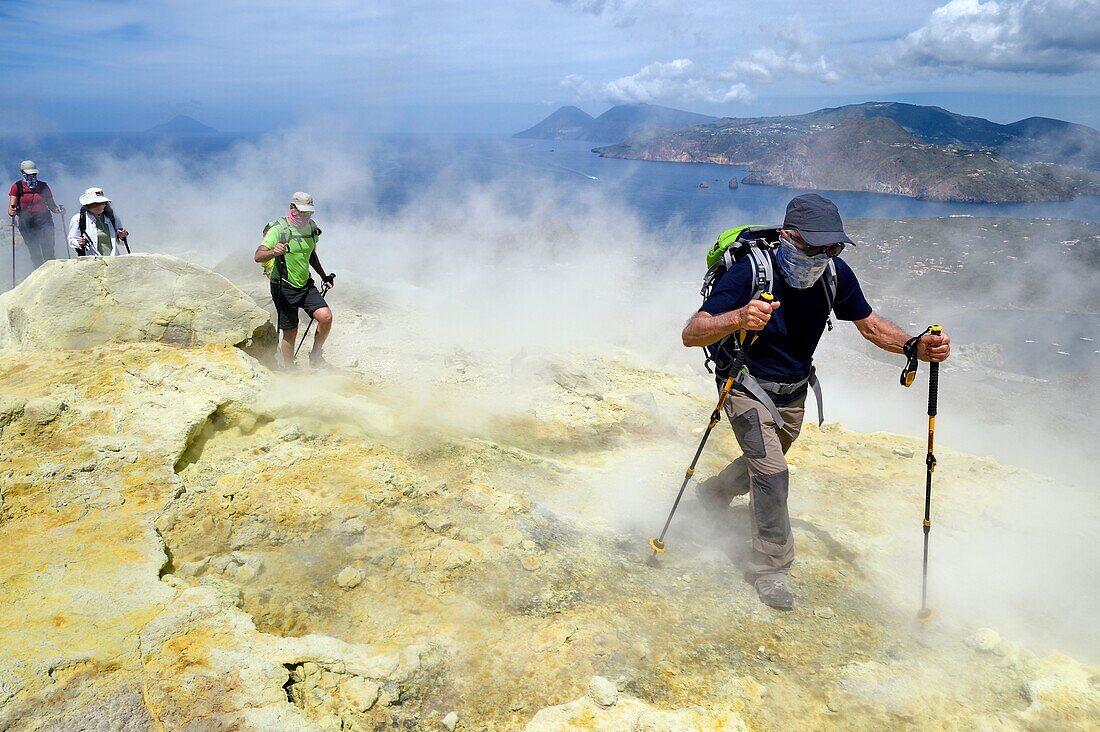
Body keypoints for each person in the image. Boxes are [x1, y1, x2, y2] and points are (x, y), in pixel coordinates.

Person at [681, 193, 951, 610]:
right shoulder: (752, 273)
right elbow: (693, 331)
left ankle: (714, 494)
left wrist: (915, 346)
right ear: (788, 236)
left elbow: (872, 327)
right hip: (745, 385)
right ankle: (771, 568)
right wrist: (738, 317)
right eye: (815, 245)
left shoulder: (834, 274)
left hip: (793, 392)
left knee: (764, 462)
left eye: (834, 246)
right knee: (773, 473)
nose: (825, 254)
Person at [254, 192, 335, 369]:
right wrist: (274, 252)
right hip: (283, 286)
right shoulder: (278, 229)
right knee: (290, 332)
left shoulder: (311, 228)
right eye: (302, 212)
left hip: (305, 284)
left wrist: (323, 276)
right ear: (292, 208)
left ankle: (315, 356)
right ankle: (290, 368)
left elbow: (311, 254)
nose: (306, 216)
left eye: (309, 212)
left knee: (326, 317)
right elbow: (258, 256)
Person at [8, 160, 64, 269]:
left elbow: (52, 205)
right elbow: (11, 207)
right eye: (29, 174)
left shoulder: (43, 187)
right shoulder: (17, 187)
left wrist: (58, 210)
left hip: (44, 220)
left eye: (33, 174)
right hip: (26, 222)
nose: (32, 176)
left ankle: (51, 272)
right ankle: (38, 273)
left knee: (48, 249)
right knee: (34, 250)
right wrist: (13, 211)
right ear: (23, 173)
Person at [67, 187, 128, 257]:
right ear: (87, 205)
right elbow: (71, 240)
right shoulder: (77, 219)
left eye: (101, 203)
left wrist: (121, 236)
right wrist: (78, 242)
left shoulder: (113, 218)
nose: (98, 206)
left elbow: (121, 241)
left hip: (113, 259)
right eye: (94, 204)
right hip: (91, 261)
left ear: (105, 204)